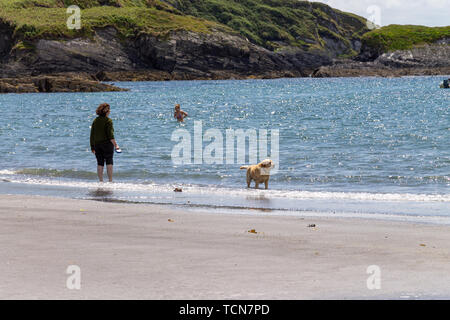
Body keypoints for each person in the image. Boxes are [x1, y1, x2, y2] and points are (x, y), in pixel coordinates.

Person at [90, 103, 120, 182]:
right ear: (107, 111)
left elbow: (92, 135)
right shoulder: (108, 121)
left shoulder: (95, 120)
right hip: (107, 145)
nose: (110, 111)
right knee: (109, 162)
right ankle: (110, 181)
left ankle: (101, 181)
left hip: (97, 145)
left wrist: (92, 147)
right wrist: (116, 145)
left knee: (100, 163)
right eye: (109, 109)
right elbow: (110, 135)